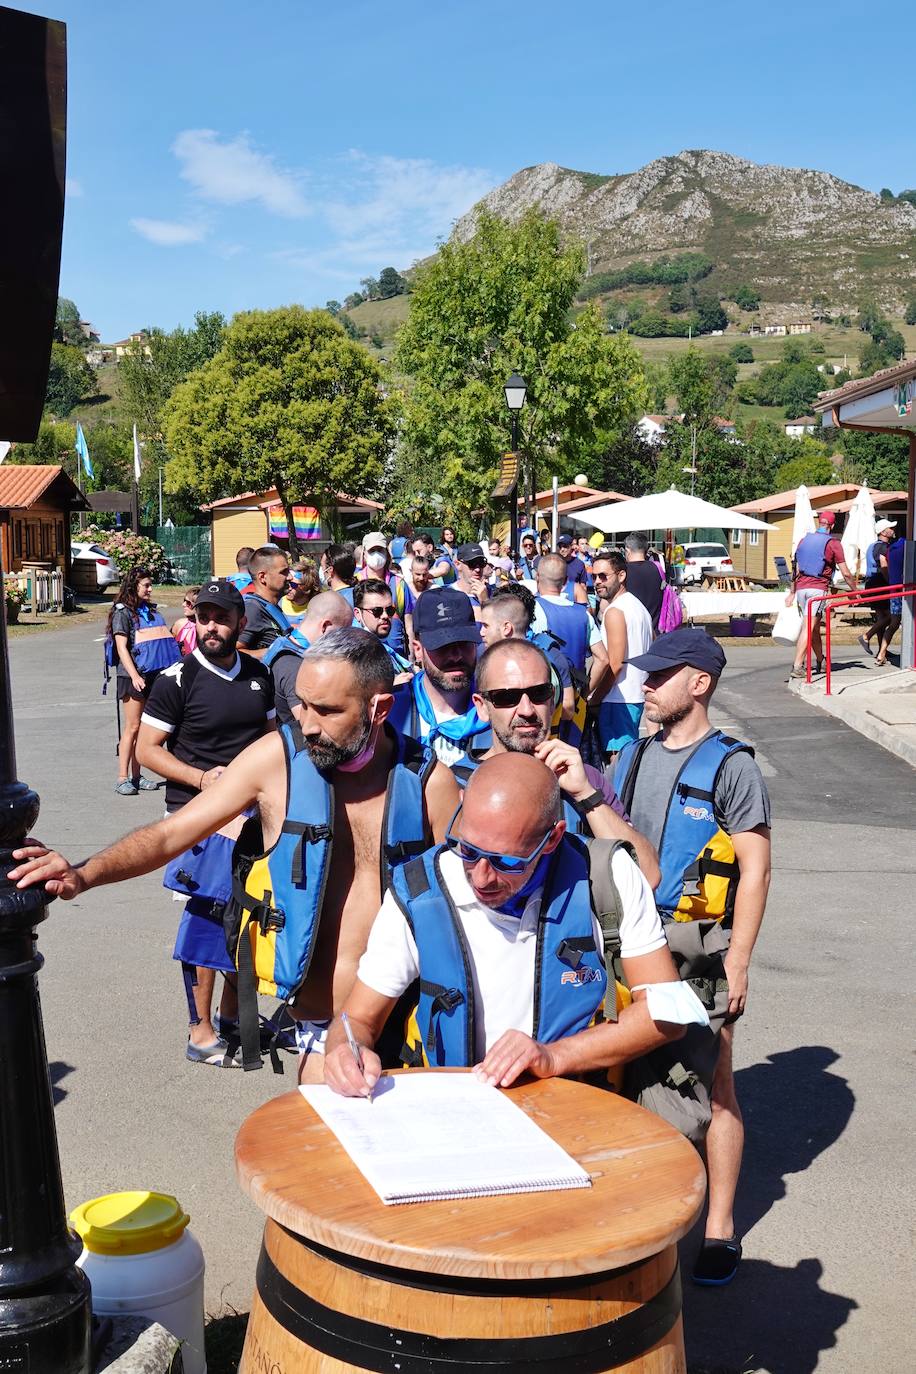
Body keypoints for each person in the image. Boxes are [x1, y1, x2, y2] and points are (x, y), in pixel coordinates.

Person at [12, 629, 460, 1082]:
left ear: (379, 708)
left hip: (412, 1028)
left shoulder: (428, 785)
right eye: (302, 704)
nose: (307, 724)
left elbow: (469, 908)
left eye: (327, 711)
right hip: (320, 1035)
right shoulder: (274, 763)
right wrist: (84, 873)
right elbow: (172, 834)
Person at [322, 754, 708, 1096]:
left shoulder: (605, 875)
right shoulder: (418, 891)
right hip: (451, 1114)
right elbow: (356, 1019)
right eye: (468, 850)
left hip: (574, 1109)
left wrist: (552, 1057)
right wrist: (344, 1050)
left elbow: (667, 1014)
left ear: (553, 837)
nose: (482, 877)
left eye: (507, 862)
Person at [611, 628, 772, 1286]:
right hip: (628, 939)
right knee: (622, 1077)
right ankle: (636, 1211)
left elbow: (757, 872)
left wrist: (738, 960)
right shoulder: (632, 756)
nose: (645, 685)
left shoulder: (732, 765)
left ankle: (719, 1227)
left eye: (660, 676)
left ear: (699, 684)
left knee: (717, 1083)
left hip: (701, 943)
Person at [136, 579, 275, 1065]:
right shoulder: (177, 679)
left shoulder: (260, 675)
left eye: (221, 618)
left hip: (253, 818)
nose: (211, 627)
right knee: (207, 918)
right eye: (204, 617)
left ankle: (235, 1015)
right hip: (197, 820)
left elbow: (273, 738)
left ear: (240, 622)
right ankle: (200, 1030)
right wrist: (203, 779)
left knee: (248, 914)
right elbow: (146, 751)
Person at [468, 638, 660, 883]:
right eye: (507, 697)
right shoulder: (458, 784)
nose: (527, 710)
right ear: (482, 707)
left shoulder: (585, 779)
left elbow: (648, 876)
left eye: (539, 693)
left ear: (553, 699)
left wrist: (586, 795)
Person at [389, 587, 487, 769]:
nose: (456, 655)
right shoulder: (392, 713)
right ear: (418, 649)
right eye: (443, 645)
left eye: (464, 643)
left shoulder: (496, 710)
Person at [106, 567, 182, 796]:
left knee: (144, 728)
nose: (150, 589)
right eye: (146, 585)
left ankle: (137, 777)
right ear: (133, 586)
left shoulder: (148, 610)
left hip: (152, 674)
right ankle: (122, 778)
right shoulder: (122, 613)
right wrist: (136, 676)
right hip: (132, 677)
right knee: (133, 726)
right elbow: (121, 648)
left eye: (150, 585)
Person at [588, 551, 653, 755]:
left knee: (617, 762)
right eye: (594, 576)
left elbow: (615, 664)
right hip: (632, 694)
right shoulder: (638, 607)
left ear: (621, 575)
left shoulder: (616, 611)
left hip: (619, 698)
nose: (598, 582)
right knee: (624, 758)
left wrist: (595, 697)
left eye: (603, 576)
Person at [479, 589, 575, 722]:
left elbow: (569, 709)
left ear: (506, 628)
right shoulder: (554, 655)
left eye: (485, 626)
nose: (481, 632)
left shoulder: (550, 656)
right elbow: (568, 710)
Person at [263, 591, 353, 725]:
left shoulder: (283, 643)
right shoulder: (294, 666)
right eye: (342, 633)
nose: (344, 641)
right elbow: (309, 724)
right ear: (325, 626)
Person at [789, 511, 857, 679]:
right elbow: (846, 573)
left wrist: (792, 591)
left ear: (819, 523)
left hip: (801, 589)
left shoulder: (804, 540)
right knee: (808, 628)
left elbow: (795, 568)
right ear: (832, 526)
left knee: (814, 628)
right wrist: (855, 593)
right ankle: (797, 666)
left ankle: (820, 659)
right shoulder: (833, 544)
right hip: (817, 589)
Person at [531, 553, 592, 673]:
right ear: (565, 581)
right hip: (576, 688)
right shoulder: (584, 614)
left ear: (537, 576)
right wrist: (587, 689)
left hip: (544, 688)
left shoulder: (530, 609)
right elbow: (602, 659)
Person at [357, 532, 415, 654]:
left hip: (397, 657)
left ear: (387, 553)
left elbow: (409, 624)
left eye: (380, 550)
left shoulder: (399, 584)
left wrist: (412, 660)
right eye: (372, 551)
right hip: (364, 656)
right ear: (364, 554)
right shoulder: (356, 583)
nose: (377, 554)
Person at [238, 546, 292, 657]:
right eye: (284, 572)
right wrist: (276, 652)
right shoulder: (252, 609)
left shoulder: (270, 606)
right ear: (262, 577)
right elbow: (235, 652)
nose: (290, 577)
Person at [354, 578, 414, 678]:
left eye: (390, 610)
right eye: (377, 611)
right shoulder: (357, 654)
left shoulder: (380, 645)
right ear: (358, 614)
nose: (385, 616)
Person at [859, 518, 898, 664]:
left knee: (881, 617)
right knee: (890, 616)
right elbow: (883, 564)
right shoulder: (883, 547)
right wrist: (890, 582)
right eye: (890, 528)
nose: (893, 530)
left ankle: (883, 650)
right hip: (880, 582)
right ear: (883, 532)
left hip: (871, 582)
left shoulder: (872, 546)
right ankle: (866, 636)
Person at [623, 533, 664, 628]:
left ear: (627, 550)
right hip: (654, 628)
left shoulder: (623, 572)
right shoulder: (656, 568)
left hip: (633, 628)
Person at [280, 558, 321, 624]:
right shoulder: (279, 603)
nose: (288, 588)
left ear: (307, 587)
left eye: (293, 584)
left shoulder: (316, 609)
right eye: (287, 582)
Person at [554, 534, 589, 603]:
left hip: (574, 602)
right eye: (560, 547)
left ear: (572, 547)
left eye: (565, 546)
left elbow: (583, 586)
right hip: (557, 601)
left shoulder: (579, 564)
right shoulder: (554, 563)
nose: (562, 549)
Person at [453, 544, 490, 608]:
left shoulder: (493, 594)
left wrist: (485, 601)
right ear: (458, 564)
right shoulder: (447, 594)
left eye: (481, 563)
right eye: (472, 564)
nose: (477, 569)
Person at [170, 588, 199, 657]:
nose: (183, 604)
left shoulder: (207, 628)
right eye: (184, 601)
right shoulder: (179, 624)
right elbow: (169, 647)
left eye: (188, 603)